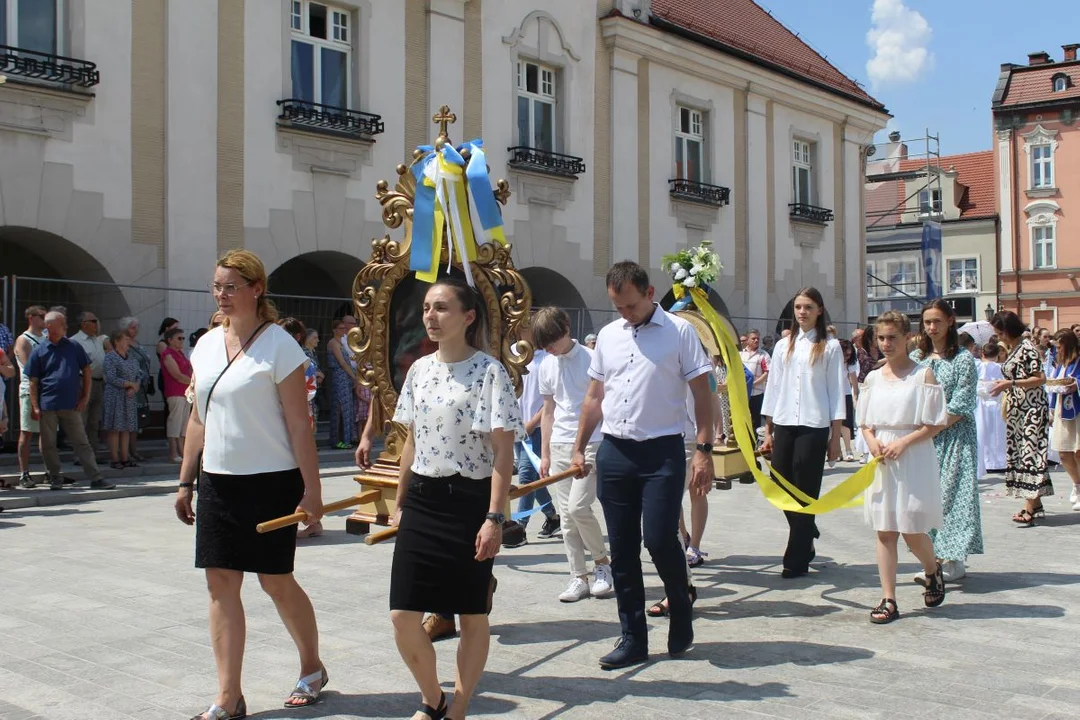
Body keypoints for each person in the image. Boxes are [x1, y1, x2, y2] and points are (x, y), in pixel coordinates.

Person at [174, 249, 326, 719]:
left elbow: (300, 425)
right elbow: (199, 414)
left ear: (257, 289)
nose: (221, 294)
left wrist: (312, 490)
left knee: (275, 581)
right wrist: (185, 480)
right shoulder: (204, 344)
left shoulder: (280, 346)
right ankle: (228, 696)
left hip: (271, 481)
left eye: (231, 286)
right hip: (218, 481)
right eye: (217, 285)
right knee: (220, 585)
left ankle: (312, 666)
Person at [388, 277, 522, 720]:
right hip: (424, 500)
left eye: (442, 308)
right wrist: (400, 499)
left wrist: (494, 518)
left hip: (469, 502)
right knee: (403, 615)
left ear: (468, 317)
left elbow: (504, 452)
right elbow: (412, 440)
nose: (431, 316)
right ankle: (432, 697)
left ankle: (459, 703)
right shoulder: (419, 370)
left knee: (471, 614)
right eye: (427, 308)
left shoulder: (489, 372)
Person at [570, 261, 715, 670]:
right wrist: (580, 446)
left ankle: (681, 601)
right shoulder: (610, 338)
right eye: (618, 307)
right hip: (615, 451)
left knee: (658, 538)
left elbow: (702, 394)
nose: (625, 314)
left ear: (650, 292)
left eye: (631, 305)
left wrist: (703, 449)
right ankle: (632, 636)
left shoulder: (681, 333)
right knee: (623, 548)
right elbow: (595, 397)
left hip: (662, 451)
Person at [857, 311, 948, 624]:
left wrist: (904, 442)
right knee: (885, 531)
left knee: (911, 528)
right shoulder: (871, 378)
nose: (885, 344)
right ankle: (888, 597)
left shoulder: (922, 376)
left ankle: (932, 569)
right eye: (881, 338)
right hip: (882, 459)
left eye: (892, 338)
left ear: (907, 338)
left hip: (911, 455)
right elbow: (865, 422)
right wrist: (871, 440)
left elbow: (934, 424)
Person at [760, 288, 845, 579]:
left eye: (808, 307)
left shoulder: (830, 346)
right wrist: (768, 429)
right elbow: (773, 387)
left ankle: (796, 558)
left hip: (814, 423)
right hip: (784, 420)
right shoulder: (784, 346)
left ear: (819, 310)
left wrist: (835, 437)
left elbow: (837, 392)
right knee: (779, 480)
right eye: (798, 307)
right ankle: (805, 527)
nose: (802, 312)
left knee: (805, 488)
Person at [533, 307, 614, 603]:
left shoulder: (592, 359)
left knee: (580, 508)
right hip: (559, 445)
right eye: (545, 344)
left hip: (591, 441)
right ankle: (577, 576)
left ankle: (603, 565)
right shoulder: (546, 365)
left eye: (553, 340)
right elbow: (548, 411)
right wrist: (544, 453)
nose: (550, 348)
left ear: (566, 329)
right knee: (566, 518)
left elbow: (601, 402)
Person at [910, 299, 982, 582]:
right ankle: (933, 557)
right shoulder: (918, 357)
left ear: (950, 321)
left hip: (955, 437)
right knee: (928, 497)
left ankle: (953, 559)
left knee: (953, 496)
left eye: (937, 321)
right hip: (925, 438)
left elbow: (962, 402)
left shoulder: (962, 358)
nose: (931, 327)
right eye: (927, 322)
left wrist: (934, 428)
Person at [26, 312, 114, 491]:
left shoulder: (74, 346)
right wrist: (35, 406)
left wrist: (85, 397)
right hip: (47, 405)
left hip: (71, 404)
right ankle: (55, 477)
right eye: (62, 323)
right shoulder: (39, 351)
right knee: (49, 444)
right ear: (50, 327)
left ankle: (96, 478)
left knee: (82, 442)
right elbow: (33, 381)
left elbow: (87, 371)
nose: (66, 326)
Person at [988, 311, 1053, 525]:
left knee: (1030, 455)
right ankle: (1035, 503)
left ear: (1008, 330)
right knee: (1024, 454)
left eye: (999, 333)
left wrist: (1010, 384)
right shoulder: (1015, 348)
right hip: (1019, 410)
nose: (998, 337)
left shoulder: (1027, 348)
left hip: (1032, 410)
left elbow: (1040, 378)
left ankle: (1028, 508)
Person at [509, 327, 560, 545]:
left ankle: (519, 528)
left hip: (537, 429)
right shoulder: (511, 352)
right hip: (516, 427)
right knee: (535, 478)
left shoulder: (547, 359)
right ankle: (552, 517)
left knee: (526, 477)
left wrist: (531, 424)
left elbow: (552, 400)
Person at [14, 306, 47, 488]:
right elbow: (28, 367)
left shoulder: (48, 338)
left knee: (47, 433)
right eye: (41, 316)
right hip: (30, 390)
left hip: (48, 391)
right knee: (27, 432)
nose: (44, 319)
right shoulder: (24, 339)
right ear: (31, 318)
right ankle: (24, 473)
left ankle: (50, 471)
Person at [1047, 330, 1080, 512]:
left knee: (1078, 452)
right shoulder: (1060, 364)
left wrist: (1076, 384)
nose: (1057, 349)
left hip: (1077, 409)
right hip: (1061, 408)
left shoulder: (1078, 361)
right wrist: (1051, 409)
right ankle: (1077, 483)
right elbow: (1055, 386)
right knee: (1063, 453)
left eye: (1060, 346)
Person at [71, 310, 110, 453]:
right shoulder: (75, 341)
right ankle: (80, 454)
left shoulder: (97, 340)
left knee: (94, 421)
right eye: (93, 321)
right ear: (84, 324)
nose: (97, 324)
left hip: (99, 383)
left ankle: (93, 451)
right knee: (81, 420)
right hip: (83, 383)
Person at [102, 329, 142, 469]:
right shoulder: (110, 357)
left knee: (126, 428)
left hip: (129, 397)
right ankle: (115, 458)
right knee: (115, 428)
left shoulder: (131, 357)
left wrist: (135, 386)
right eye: (125, 339)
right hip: (115, 396)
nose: (128, 342)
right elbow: (111, 377)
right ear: (117, 341)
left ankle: (125, 457)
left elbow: (138, 374)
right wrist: (128, 384)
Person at [119, 317, 152, 462]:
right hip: (130, 386)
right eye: (132, 327)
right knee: (130, 421)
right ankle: (127, 452)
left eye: (136, 327)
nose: (135, 330)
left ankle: (134, 450)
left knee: (137, 420)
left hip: (141, 386)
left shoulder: (137, 344)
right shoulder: (123, 343)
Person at [161, 327, 193, 463]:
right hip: (175, 392)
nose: (182, 341)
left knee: (183, 424)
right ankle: (173, 453)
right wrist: (193, 382)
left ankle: (182, 451)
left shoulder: (180, 353)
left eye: (183, 338)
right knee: (175, 421)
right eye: (179, 338)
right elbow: (177, 375)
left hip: (185, 392)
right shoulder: (168, 354)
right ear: (170, 340)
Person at [975, 342, 1007, 478]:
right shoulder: (1001, 368)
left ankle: (987, 461)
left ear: (983, 353)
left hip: (983, 404)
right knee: (999, 433)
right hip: (996, 402)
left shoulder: (978, 366)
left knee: (985, 433)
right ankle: (1000, 461)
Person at [327, 318, 358, 449]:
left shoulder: (341, 343)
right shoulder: (333, 343)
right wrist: (354, 377)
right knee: (339, 408)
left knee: (347, 409)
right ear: (334, 330)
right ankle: (337, 440)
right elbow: (342, 362)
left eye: (344, 328)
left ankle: (348, 438)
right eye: (341, 328)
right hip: (339, 377)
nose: (344, 330)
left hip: (345, 378)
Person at [740, 329, 771, 430]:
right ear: (747, 340)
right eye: (753, 338)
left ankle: (753, 445)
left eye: (758, 338)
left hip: (756, 394)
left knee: (755, 422)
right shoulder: (740, 354)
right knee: (742, 421)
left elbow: (767, 372)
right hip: (742, 393)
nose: (756, 340)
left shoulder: (764, 355)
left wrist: (753, 384)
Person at [838, 339, 860, 462]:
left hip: (845, 393)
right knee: (831, 425)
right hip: (831, 394)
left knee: (845, 424)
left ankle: (848, 449)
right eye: (845, 354)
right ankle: (837, 451)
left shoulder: (850, 363)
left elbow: (853, 379)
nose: (847, 356)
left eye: (849, 354)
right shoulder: (831, 361)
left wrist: (855, 395)